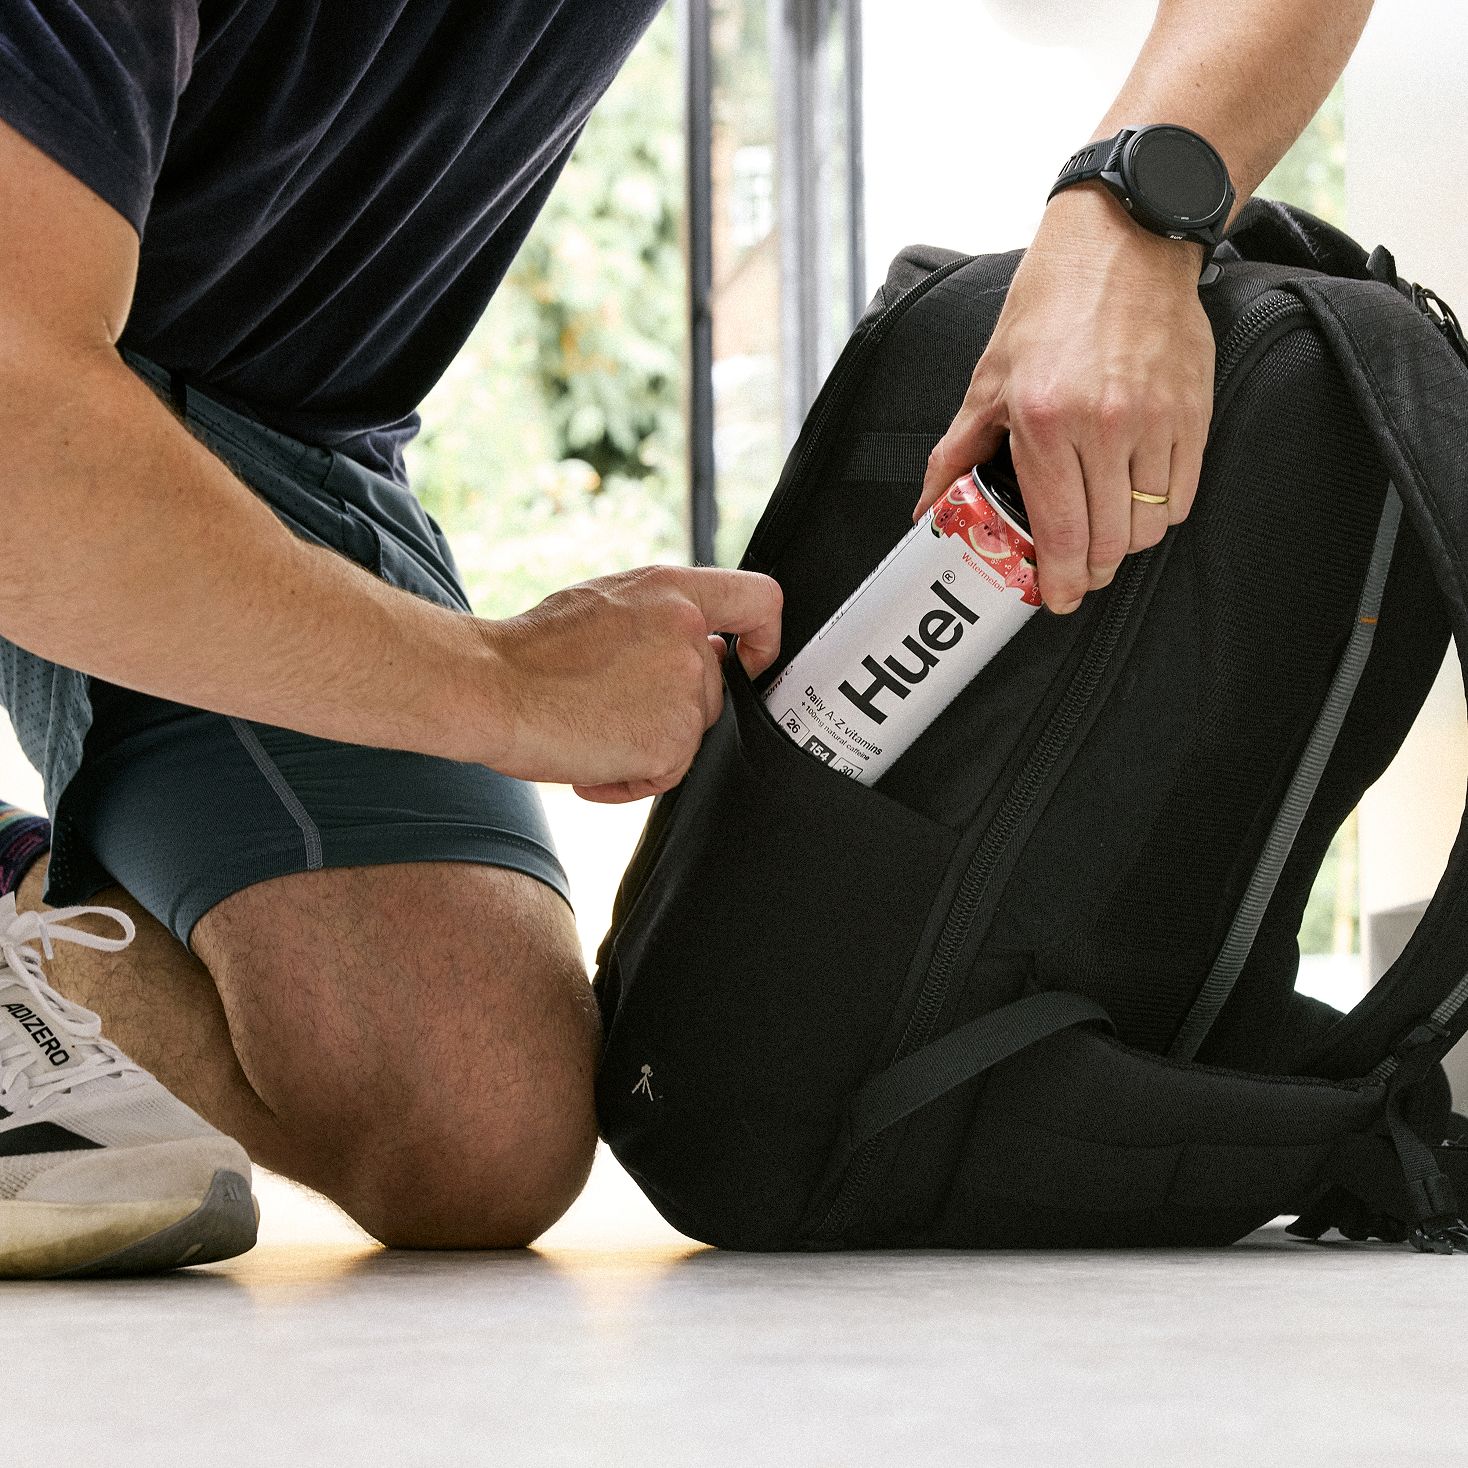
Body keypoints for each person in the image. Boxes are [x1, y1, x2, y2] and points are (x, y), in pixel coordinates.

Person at [0, 0, 1373, 1275]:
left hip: (248, 414)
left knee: (476, 1119)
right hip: (33, 371)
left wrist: (1131, 213)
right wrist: (502, 686)